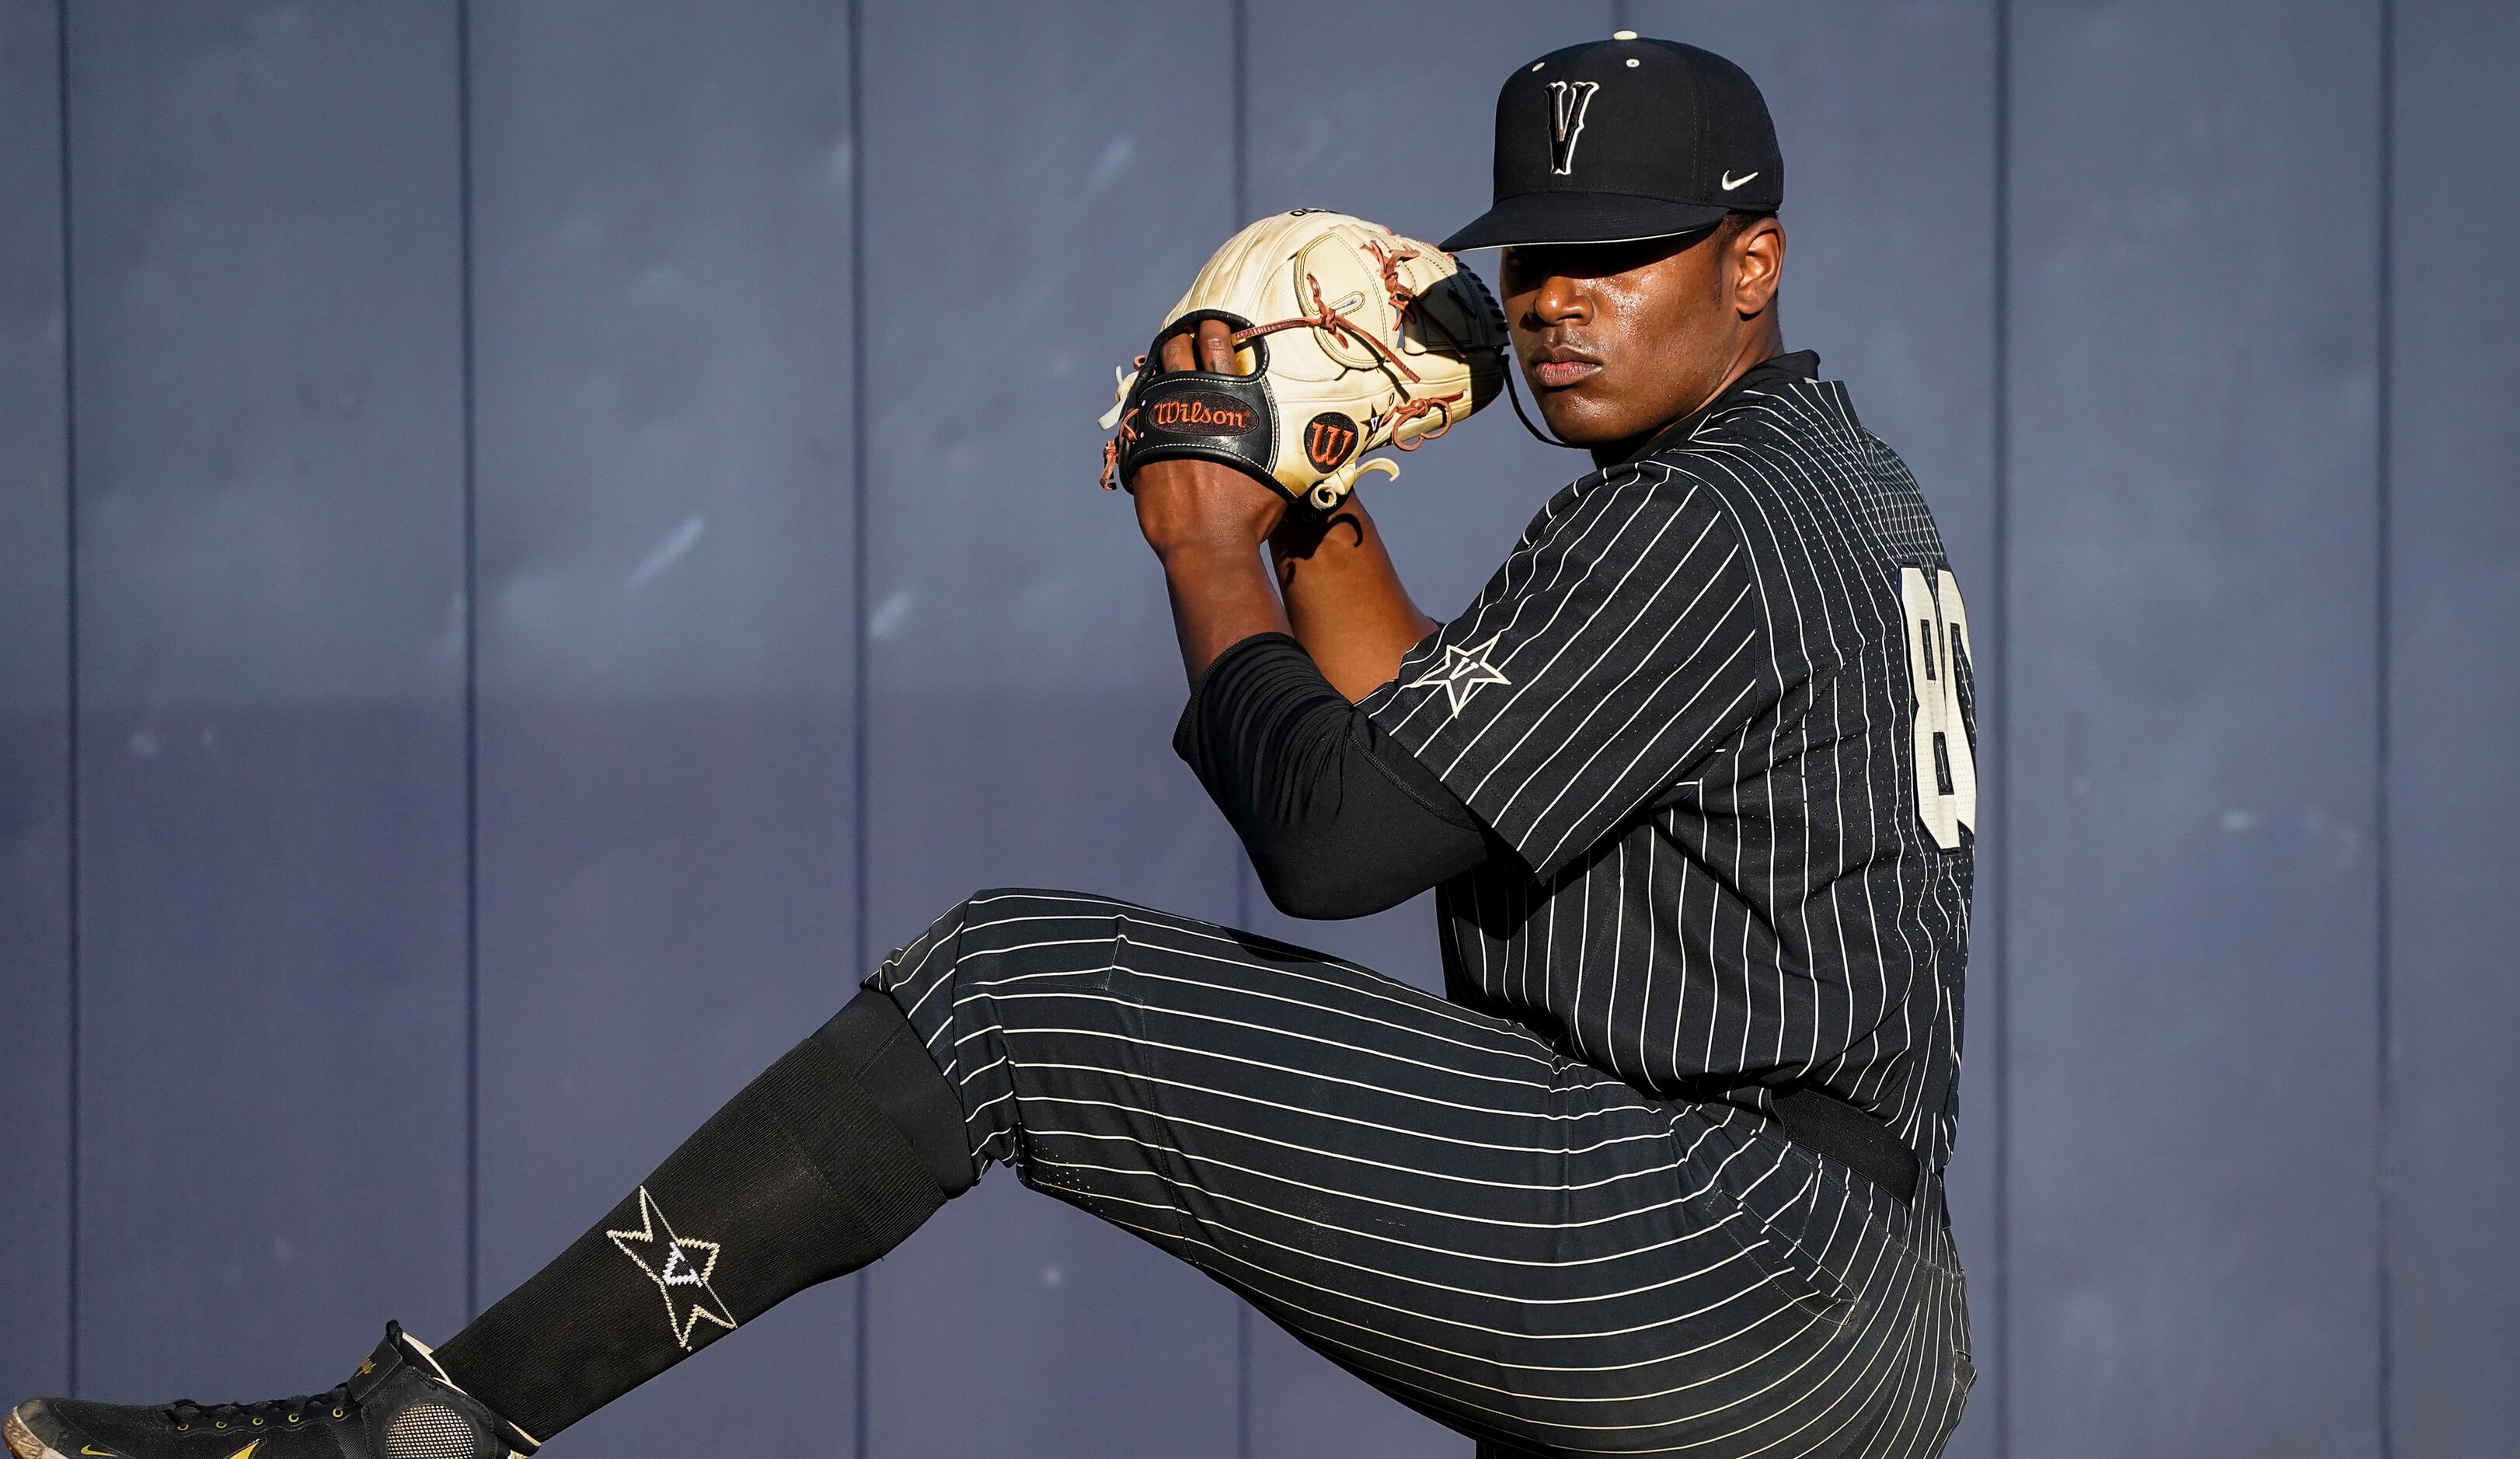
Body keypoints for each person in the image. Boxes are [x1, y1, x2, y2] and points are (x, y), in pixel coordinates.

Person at [7, 33, 1976, 1459]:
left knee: (1011, 991)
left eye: (1615, 252)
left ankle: (425, 1437)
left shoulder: (1696, 518)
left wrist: (1204, 541)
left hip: (1721, 1255)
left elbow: (1337, 838)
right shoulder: (1802, 489)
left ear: (1752, 259)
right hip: (1812, 1288)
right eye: (1534, 255)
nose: (1553, 305)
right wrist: (1307, 506)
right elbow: (1426, 754)